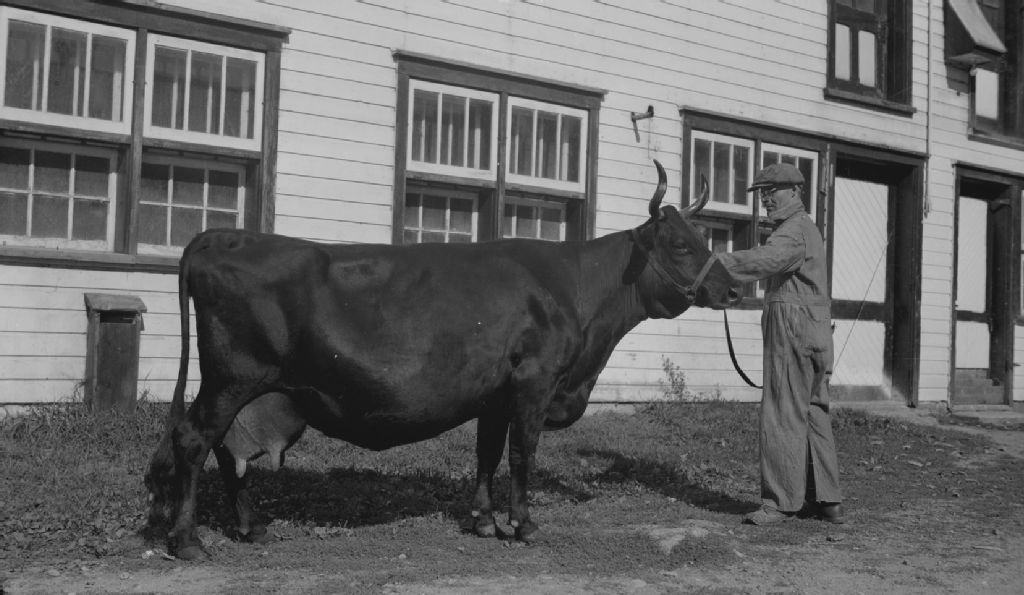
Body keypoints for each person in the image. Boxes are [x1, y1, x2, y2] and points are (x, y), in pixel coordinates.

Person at [716, 163, 845, 525]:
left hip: (794, 329)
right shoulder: (805, 228)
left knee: (783, 411)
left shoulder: (792, 230)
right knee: (813, 411)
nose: (766, 199)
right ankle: (827, 501)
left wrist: (715, 264)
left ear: (795, 191)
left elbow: (766, 259)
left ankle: (780, 503)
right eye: (762, 193)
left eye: (772, 191)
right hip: (813, 329)